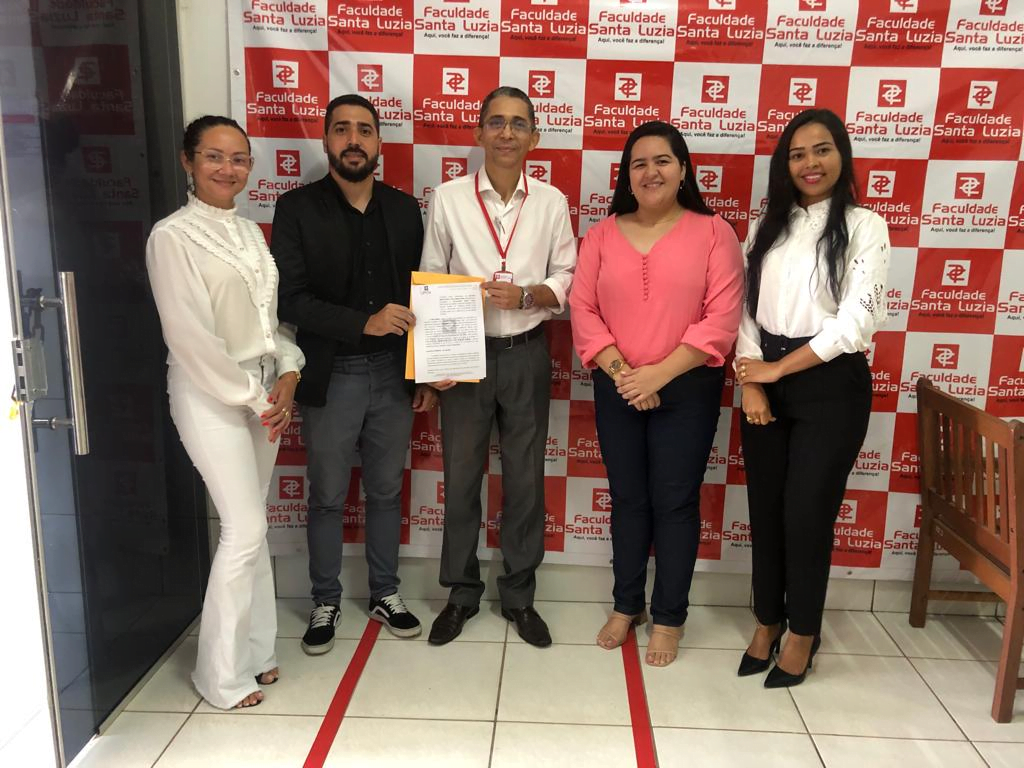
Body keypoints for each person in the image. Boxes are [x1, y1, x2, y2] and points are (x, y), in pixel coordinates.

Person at [569, 121, 743, 667]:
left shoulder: (714, 233)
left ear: (683, 169)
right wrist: (628, 376)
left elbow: (722, 319)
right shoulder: (601, 235)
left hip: (687, 387)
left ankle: (669, 616)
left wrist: (657, 376)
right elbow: (583, 309)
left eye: (663, 160)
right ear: (626, 176)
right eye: (639, 163)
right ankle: (627, 605)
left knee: (675, 502)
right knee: (628, 499)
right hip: (617, 384)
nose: (651, 172)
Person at [146, 116, 305, 709]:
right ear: (188, 161)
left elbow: (269, 325)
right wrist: (256, 397)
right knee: (244, 529)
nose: (227, 168)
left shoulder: (250, 233)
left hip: (264, 393)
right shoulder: (172, 237)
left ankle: (256, 652)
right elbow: (191, 338)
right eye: (214, 156)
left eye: (239, 158)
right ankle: (219, 676)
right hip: (210, 395)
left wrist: (288, 371)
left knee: (252, 524)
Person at [272, 95, 436, 653]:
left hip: (393, 373)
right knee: (326, 495)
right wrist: (363, 322)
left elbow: (423, 296)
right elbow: (290, 299)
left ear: (379, 143)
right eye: (341, 129)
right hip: (331, 372)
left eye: (364, 130)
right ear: (326, 140)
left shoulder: (404, 209)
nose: (353, 140)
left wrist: (424, 374)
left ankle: (386, 592)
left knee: (386, 491)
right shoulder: (296, 209)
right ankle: (325, 599)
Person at [735, 108, 889, 687]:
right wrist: (754, 380)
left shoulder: (864, 225)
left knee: (806, 513)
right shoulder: (764, 227)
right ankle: (768, 620)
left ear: (841, 155)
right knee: (766, 509)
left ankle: (803, 630)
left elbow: (854, 323)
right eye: (797, 154)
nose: (810, 163)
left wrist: (776, 371)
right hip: (764, 375)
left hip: (829, 384)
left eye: (822, 150)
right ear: (785, 164)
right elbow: (741, 310)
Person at [420, 86, 576, 647]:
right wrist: (433, 363)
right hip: (464, 355)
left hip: (526, 353)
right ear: (479, 132)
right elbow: (432, 277)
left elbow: (568, 276)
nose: (507, 133)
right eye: (496, 122)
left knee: (525, 480)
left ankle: (519, 597)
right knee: (461, 479)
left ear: (534, 136)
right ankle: (461, 594)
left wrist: (529, 295)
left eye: (518, 123)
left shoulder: (552, 202)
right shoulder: (448, 198)